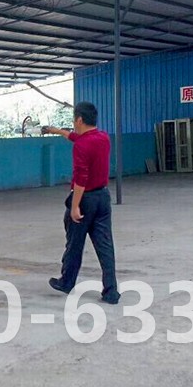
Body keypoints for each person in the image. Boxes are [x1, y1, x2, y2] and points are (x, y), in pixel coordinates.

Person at [42, 102, 120, 304]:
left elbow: (81, 178)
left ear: (79, 119)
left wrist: (75, 206)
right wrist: (57, 131)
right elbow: (76, 137)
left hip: (85, 199)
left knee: (74, 243)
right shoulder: (103, 138)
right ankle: (111, 291)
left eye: (74, 120)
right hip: (103, 198)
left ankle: (67, 282)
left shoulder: (82, 146)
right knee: (105, 246)